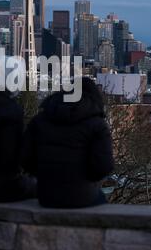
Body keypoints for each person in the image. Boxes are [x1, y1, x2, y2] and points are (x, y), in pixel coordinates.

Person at [21, 77, 114, 208]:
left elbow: (25, 158)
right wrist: (87, 180)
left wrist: (44, 174)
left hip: (46, 195)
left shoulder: (40, 120)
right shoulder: (97, 125)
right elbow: (104, 166)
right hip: (83, 196)